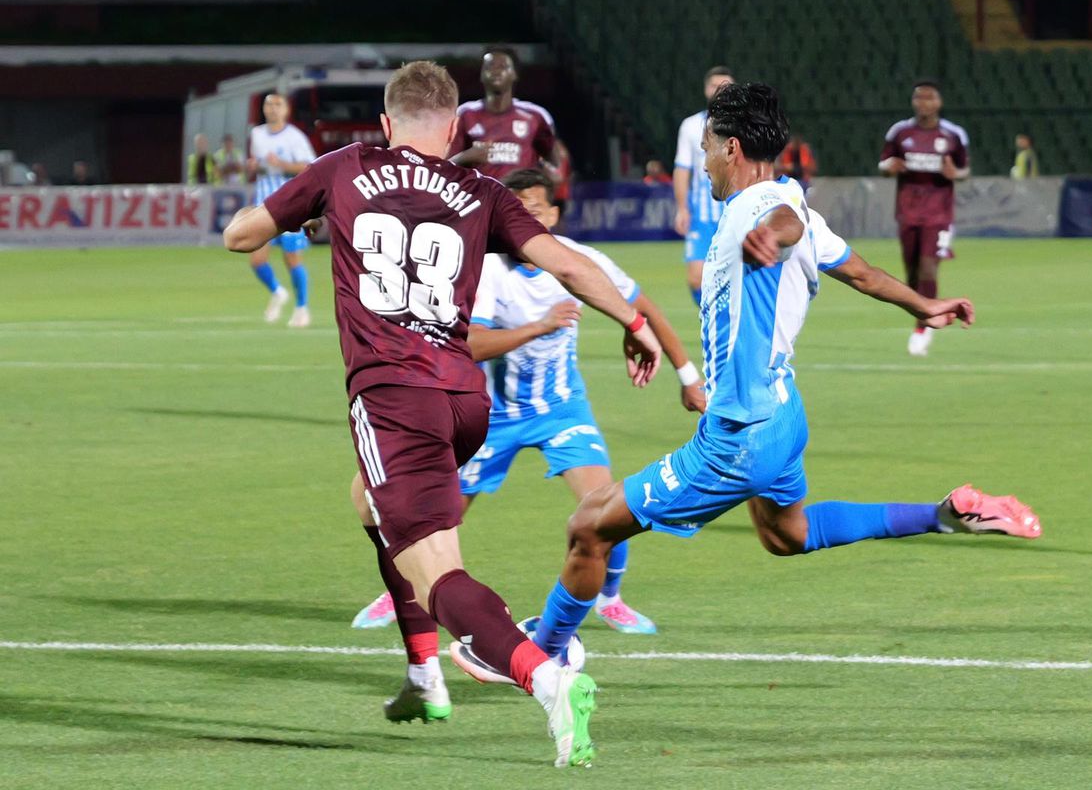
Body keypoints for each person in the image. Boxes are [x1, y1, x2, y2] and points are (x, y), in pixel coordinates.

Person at [444, 82, 1038, 680]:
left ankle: (543, 653)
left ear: (731, 148)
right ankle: (943, 515)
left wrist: (773, 238)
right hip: (783, 414)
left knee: (588, 526)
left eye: (705, 149)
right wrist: (922, 305)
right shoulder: (792, 195)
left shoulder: (764, 210)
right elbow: (859, 272)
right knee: (787, 534)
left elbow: (783, 226)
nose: (702, 163)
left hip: (739, 435)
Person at [223, 60, 664, 767]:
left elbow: (241, 237)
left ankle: (548, 681)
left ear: (387, 124)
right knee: (368, 500)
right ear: (455, 126)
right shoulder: (481, 189)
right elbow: (570, 265)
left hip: (394, 399)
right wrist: (634, 322)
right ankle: (424, 676)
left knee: (438, 577)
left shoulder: (343, 168)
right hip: (465, 400)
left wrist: (303, 212)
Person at [352, 167, 705, 644]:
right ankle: (401, 591)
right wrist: (539, 326)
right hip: (491, 415)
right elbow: (468, 343)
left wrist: (688, 377)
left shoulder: (579, 260)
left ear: (554, 214)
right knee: (431, 512)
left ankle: (610, 598)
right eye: (516, 211)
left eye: (535, 209)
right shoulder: (485, 268)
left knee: (607, 505)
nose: (525, 219)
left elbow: (645, 310)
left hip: (561, 409)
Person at [879, 79, 970, 357]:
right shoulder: (900, 132)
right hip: (908, 210)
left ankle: (923, 327)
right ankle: (923, 311)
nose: (924, 103)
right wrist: (889, 167)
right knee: (912, 273)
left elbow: (964, 170)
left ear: (939, 102)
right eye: (919, 98)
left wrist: (956, 173)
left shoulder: (953, 135)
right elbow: (884, 164)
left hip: (939, 212)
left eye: (930, 98)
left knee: (929, 268)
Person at [246, 94, 317, 328]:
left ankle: (301, 308)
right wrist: (254, 166)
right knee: (256, 259)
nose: (272, 109)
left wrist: (283, 165)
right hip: (262, 205)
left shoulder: (295, 137)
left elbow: (309, 167)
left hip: (289, 206)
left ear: (286, 110)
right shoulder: (257, 134)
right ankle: (278, 291)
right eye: (268, 104)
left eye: (278, 105)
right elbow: (258, 167)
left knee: (292, 259)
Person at [449, 46, 558, 182]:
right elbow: (446, 166)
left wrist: (546, 175)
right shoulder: (465, 114)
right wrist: (467, 156)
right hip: (480, 199)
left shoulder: (536, 115)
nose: (496, 71)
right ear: (482, 74)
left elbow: (555, 166)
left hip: (520, 201)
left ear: (515, 74)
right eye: (490, 66)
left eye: (503, 66)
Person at [674, 66, 735, 306]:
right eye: (714, 85)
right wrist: (681, 208)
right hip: (701, 214)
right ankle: (712, 317)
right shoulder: (690, 126)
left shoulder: (742, 125)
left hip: (734, 210)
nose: (720, 91)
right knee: (696, 278)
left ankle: (731, 321)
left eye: (726, 86)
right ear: (706, 89)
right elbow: (682, 169)